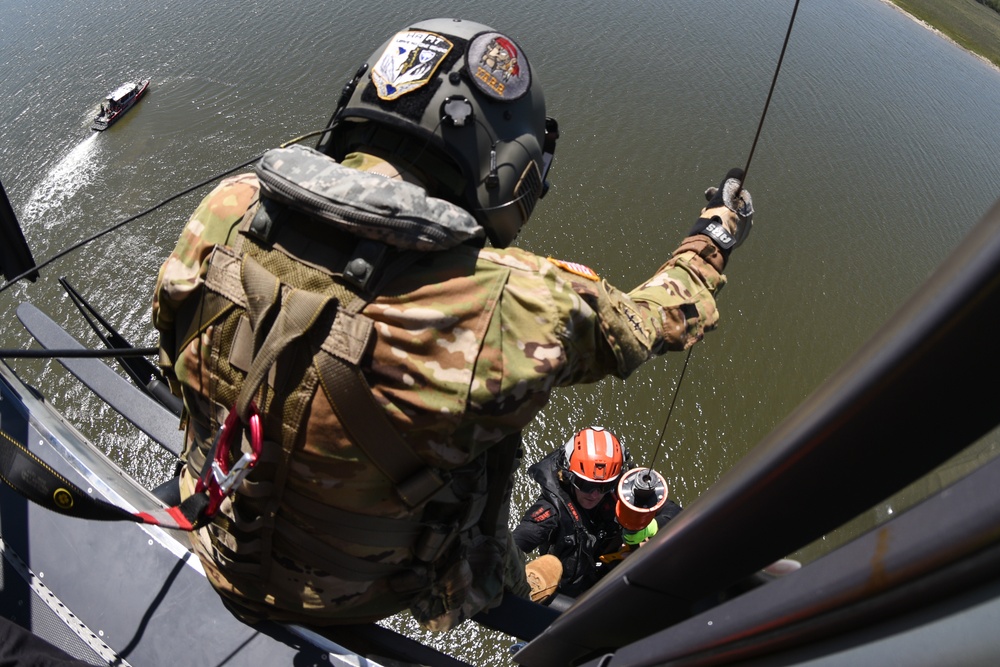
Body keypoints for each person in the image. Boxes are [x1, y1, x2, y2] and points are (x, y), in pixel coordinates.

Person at [152, 17, 754, 633]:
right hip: (353, 599)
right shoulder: (513, 298)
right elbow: (655, 319)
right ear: (511, 171)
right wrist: (715, 236)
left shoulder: (227, 208)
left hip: (213, 534)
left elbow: (171, 333)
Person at [513, 427, 682, 600]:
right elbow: (515, 542)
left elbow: (675, 513)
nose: (594, 494)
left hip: (612, 567)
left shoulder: (624, 490)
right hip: (571, 587)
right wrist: (515, 580)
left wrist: (647, 529)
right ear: (567, 475)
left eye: (604, 486)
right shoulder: (551, 510)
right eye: (585, 485)